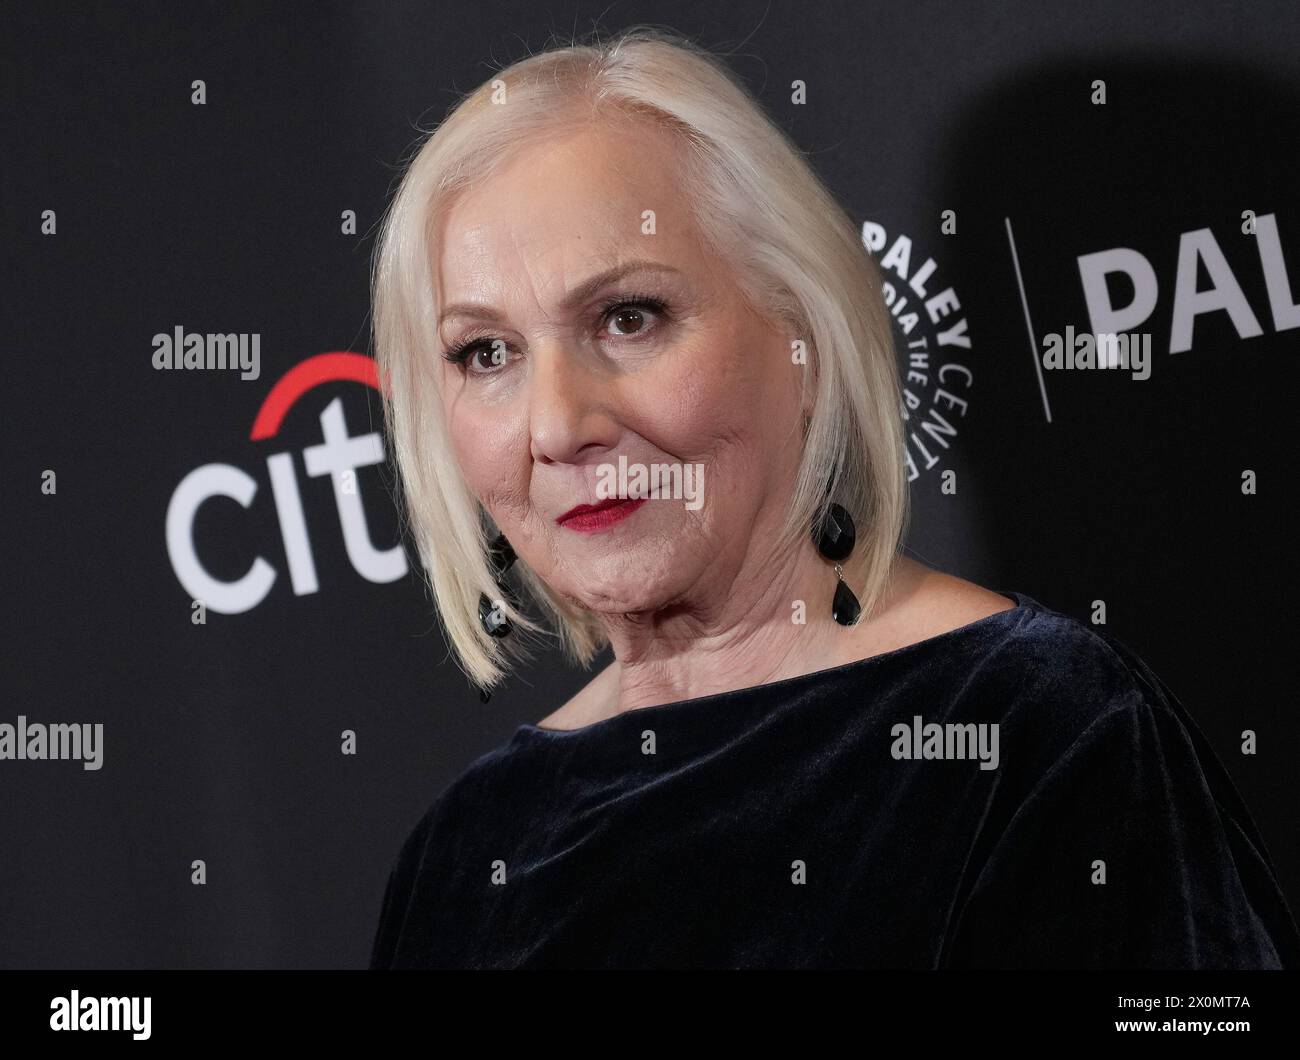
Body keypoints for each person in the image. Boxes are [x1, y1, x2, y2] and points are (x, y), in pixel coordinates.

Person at [365, 26, 1299, 968]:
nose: (558, 423)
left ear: (801, 337)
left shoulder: (1036, 727)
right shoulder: (465, 855)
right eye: (486, 353)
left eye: (629, 317)